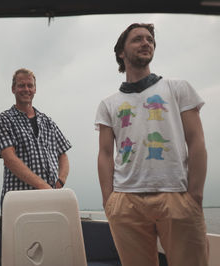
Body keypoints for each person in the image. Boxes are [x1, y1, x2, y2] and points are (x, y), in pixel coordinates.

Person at [95, 23, 208, 266]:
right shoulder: (108, 104)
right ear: (121, 53)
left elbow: (196, 140)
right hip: (126, 201)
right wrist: (109, 201)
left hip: (176, 196)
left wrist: (195, 195)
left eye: (150, 39)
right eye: (137, 39)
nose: (146, 43)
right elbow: (105, 154)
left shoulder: (178, 88)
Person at [0, 68, 72, 207]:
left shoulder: (48, 122)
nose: (26, 89)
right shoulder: (4, 119)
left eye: (30, 85)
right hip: (19, 201)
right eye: (21, 85)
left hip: (51, 200)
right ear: (13, 89)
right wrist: (46, 188)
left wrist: (60, 181)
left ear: (35, 89)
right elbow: (10, 159)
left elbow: (63, 155)